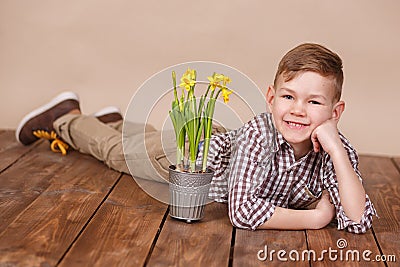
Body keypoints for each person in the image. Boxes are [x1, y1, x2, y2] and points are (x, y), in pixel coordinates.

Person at [16, 43, 376, 233]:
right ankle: (65, 118)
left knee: (146, 140)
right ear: (271, 98)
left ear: (335, 112)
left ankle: (112, 121)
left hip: (210, 143)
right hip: (191, 161)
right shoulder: (258, 134)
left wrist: (337, 153)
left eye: (314, 102)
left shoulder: (335, 149)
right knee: (118, 153)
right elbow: (243, 211)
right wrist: (315, 219)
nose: (298, 110)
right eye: (288, 97)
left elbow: (358, 219)